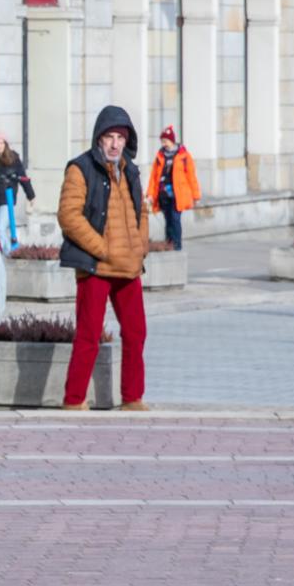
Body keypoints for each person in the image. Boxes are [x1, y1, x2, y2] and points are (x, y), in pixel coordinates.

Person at [60, 107, 149, 412]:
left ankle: (133, 398)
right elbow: (69, 216)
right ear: (99, 138)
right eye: (109, 137)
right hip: (96, 267)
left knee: (136, 333)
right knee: (88, 335)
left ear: (127, 141)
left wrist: (140, 246)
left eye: (120, 138)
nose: (114, 144)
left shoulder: (131, 171)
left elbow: (142, 211)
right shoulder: (80, 168)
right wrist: (102, 248)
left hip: (129, 267)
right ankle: (74, 400)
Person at [145, 125, 199, 250]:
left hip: (177, 194)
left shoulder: (184, 155)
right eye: (162, 141)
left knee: (175, 218)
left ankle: (177, 244)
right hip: (163, 193)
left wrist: (196, 195)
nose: (163, 144)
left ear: (171, 140)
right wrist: (150, 194)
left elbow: (191, 176)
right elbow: (154, 177)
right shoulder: (160, 156)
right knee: (168, 219)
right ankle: (169, 243)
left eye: (165, 141)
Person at [0, 131, 35, 239]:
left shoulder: (13, 158)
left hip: (6, 198)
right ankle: (1, 249)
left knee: (0, 228)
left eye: (1, 143)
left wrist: (30, 195)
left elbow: (22, 177)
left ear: (6, 144)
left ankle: (5, 249)